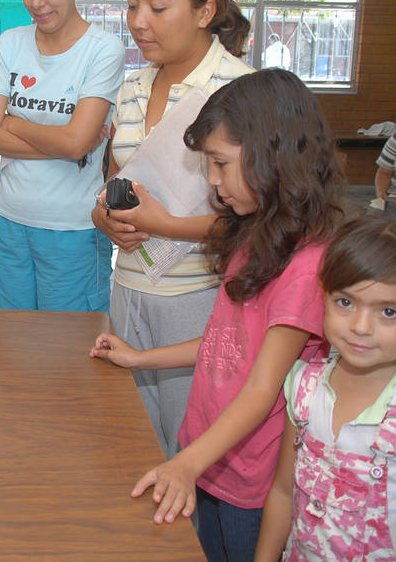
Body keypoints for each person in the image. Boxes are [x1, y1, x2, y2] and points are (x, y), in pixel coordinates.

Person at [90, 69, 346, 561]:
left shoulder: (304, 266)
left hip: (250, 479)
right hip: (213, 458)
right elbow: (226, 342)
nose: (211, 179)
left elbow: (261, 390)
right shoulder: (255, 235)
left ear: (274, 155)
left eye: (220, 163)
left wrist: (185, 463)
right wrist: (141, 358)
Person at [90, 0, 254, 456]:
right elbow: (114, 181)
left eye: (157, 8)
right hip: (128, 287)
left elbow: (259, 219)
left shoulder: (243, 90)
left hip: (200, 298)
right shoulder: (132, 86)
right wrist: (104, 217)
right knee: (130, 442)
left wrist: (164, 226)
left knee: (194, 447)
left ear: (205, 11)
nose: (139, 22)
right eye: (132, 5)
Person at [255, 214, 396, 562]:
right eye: (345, 302)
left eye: (389, 312)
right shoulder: (304, 387)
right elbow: (283, 492)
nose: (360, 326)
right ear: (324, 296)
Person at [0, 0, 125, 311]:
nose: (36, 2)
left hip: (72, 229)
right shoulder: (12, 43)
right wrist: (70, 144)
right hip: (9, 220)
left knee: (69, 341)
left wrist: (14, 122)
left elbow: (75, 143)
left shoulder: (103, 50)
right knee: (8, 335)